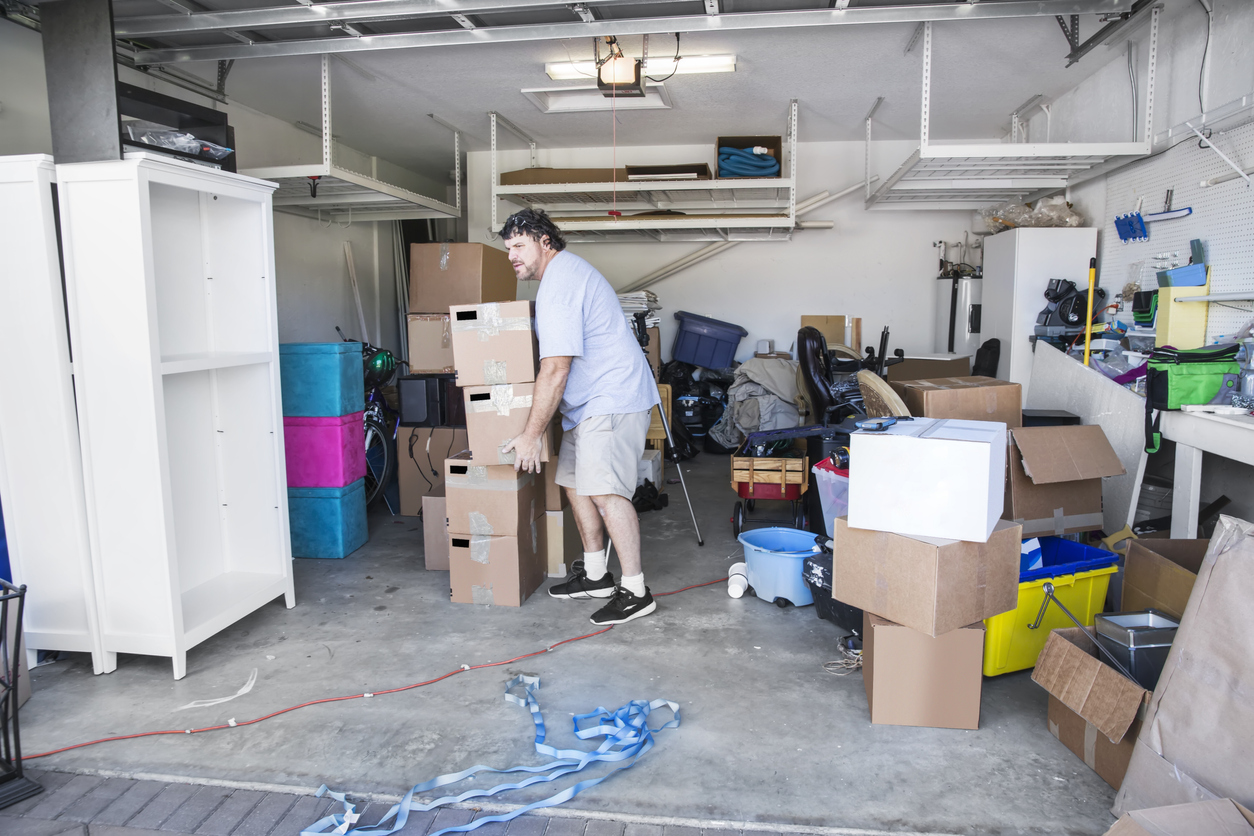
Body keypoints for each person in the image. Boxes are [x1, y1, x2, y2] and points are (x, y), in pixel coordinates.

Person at [498, 209, 661, 625]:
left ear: (545, 241)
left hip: (611, 399)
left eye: (519, 245)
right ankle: (595, 576)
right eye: (507, 248)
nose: (512, 256)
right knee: (573, 483)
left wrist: (531, 434)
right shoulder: (558, 279)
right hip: (585, 405)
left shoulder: (561, 282)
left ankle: (636, 591)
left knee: (607, 493)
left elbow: (556, 367)